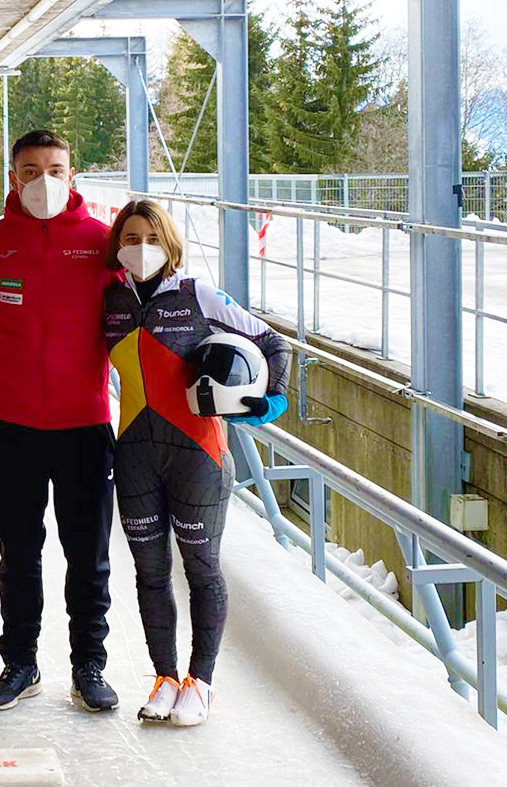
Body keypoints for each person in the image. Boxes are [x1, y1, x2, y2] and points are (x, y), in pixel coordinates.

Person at [101, 199, 291, 726]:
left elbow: (273, 343)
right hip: (135, 453)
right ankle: (164, 678)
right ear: (118, 244)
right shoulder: (110, 299)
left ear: (170, 243)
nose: (141, 248)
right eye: (130, 238)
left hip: (200, 455)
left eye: (150, 238)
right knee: (149, 573)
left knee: (202, 569)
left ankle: (200, 682)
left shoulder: (197, 294)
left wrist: (270, 400)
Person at [0, 130, 120, 713]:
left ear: (73, 173)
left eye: (55, 168)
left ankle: (90, 664)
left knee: (89, 556)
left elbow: (142, 309)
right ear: (14, 178)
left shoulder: (102, 243)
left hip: (84, 428)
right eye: (31, 170)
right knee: (19, 553)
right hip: (12, 428)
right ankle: (20, 663)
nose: (44, 180)